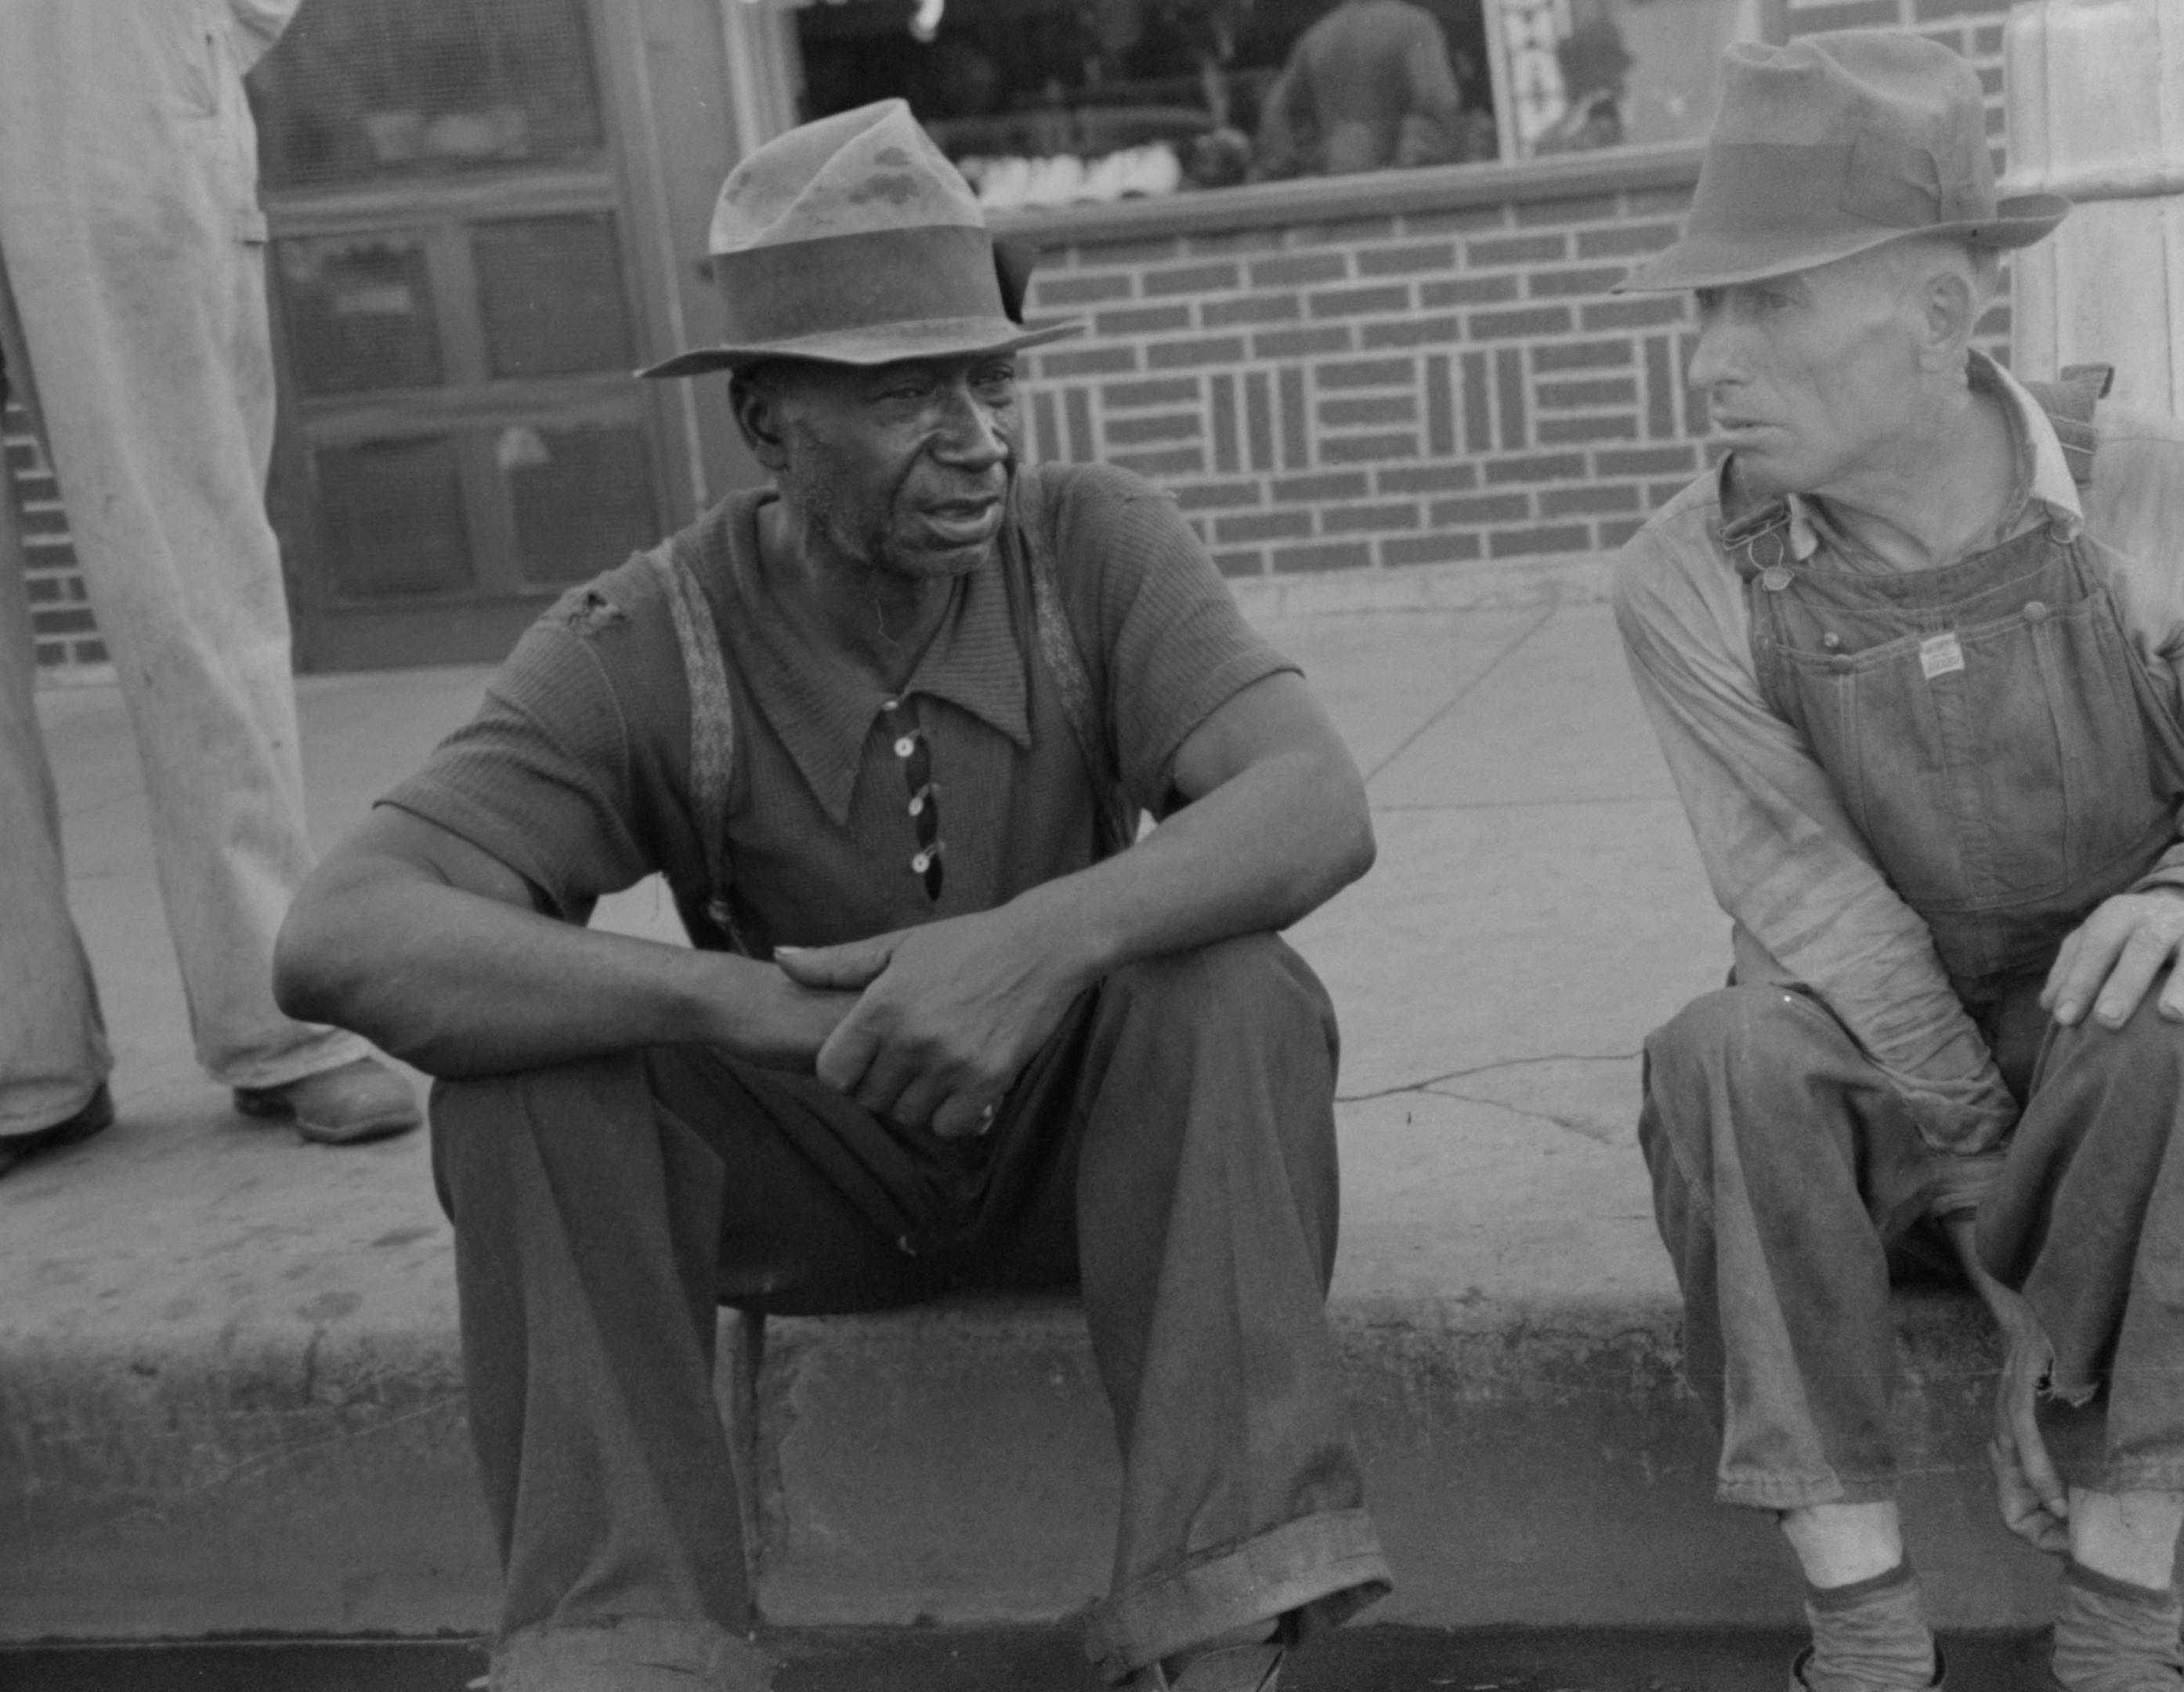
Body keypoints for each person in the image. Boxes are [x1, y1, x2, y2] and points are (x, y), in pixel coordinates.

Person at [273, 101, 1391, 1692]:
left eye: (994, 376)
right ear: (766, 422)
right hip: (806, 1180)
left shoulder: (1096, 547)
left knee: (1230, 988)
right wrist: (751, 1008)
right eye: (905, 393)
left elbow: (1312, 798)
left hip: (1084, 1161)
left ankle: (1219, 1629)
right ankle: (625, 1652)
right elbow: (343, 933)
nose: (980, 437)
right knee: (524, 1075)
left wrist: (1028, 951)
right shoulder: (641, 635)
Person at [1605, 33, 2184, 1692]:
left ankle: (2118, 1625)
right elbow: (1811, 906)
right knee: (1721, 1053)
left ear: (1943, 322)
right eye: (1704, 308)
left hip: (2123, 1087)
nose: (1713, 362)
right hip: (1880, 1078)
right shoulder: (1686, 576)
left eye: (1773, 303)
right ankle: (1865, 1632)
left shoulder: (2156, 500)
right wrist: (1981, 1210)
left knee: (2181, 1015)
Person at [0, 0, 421, 1194]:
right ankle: (12, 1059)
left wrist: (199, 28)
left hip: (94, 66)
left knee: (189, 573)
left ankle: (277, 1015)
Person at [1253, 0, 1466, 178]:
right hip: (1397, 189)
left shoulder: (1317, 36)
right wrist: (1412, 167)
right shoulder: (1416, 25)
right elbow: (1436, 101)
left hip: (1337, 186)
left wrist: (1315, 159)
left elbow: (1276, 115)